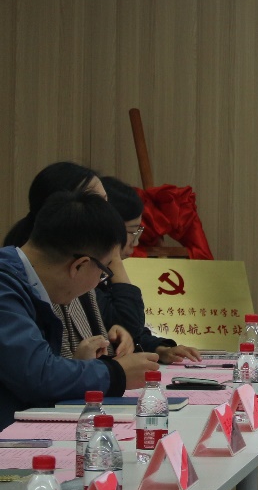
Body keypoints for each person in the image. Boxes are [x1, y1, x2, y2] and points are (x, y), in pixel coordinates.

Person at [0, 191, 159, 428]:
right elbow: (37, 375)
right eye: (103, 272)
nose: (98, 282)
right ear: (80, 265)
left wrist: (80, 366)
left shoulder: (21, 280)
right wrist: (116, 373)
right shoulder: (5, 286)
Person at [5, 162, 134, 360]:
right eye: (96, 202)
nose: (106, 211)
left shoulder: (44, 274)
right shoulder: (10, 285)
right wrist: (111, 372)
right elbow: (37, 372)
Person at [98, 176, 201, 363]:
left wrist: (160, 349)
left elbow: (133, 334)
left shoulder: (103, 273)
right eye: (132, 232)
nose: (136, 243)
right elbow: (126, 325)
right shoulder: (84, 277)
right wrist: (115, 259)